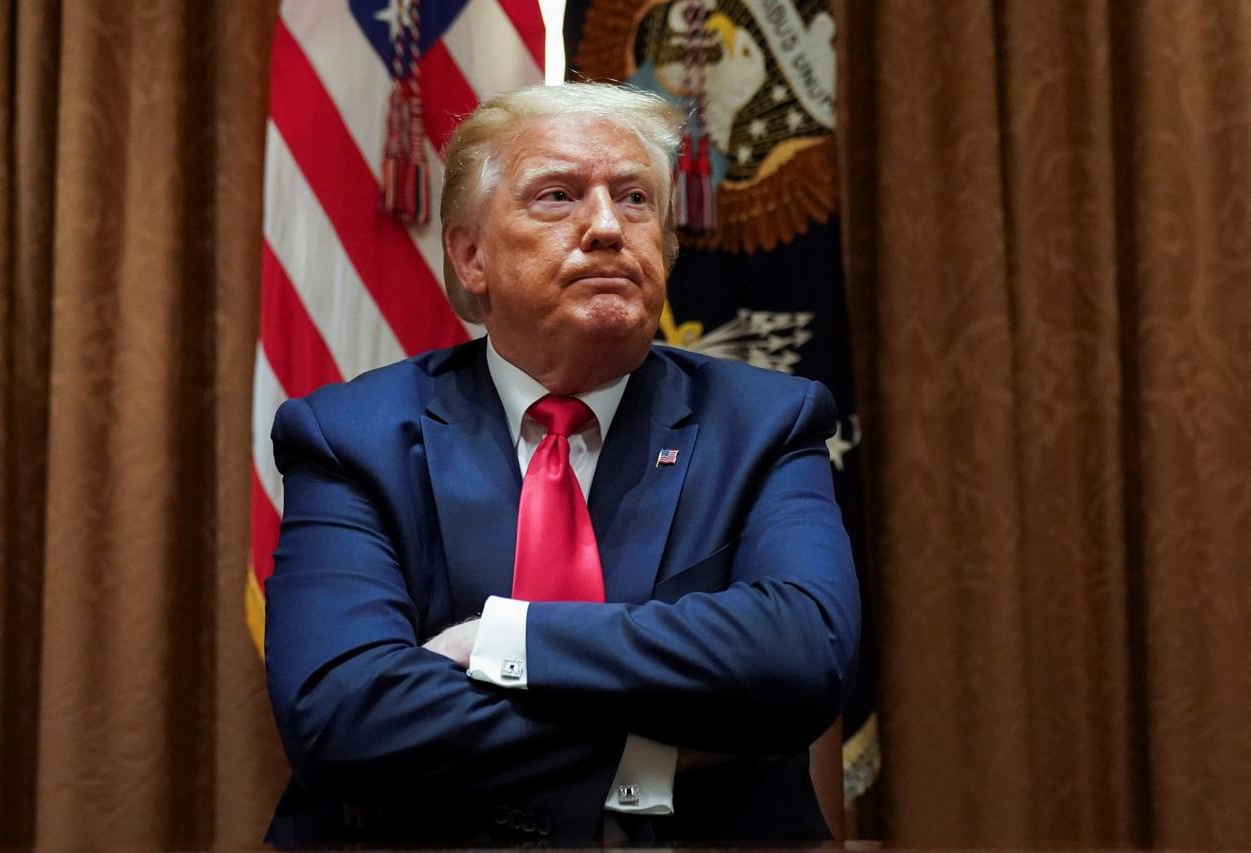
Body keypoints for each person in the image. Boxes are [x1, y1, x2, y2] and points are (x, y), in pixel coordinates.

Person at [263, 82, 860, 846]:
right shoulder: (351, 436)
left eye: (636, 199)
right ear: (470, 253)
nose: (608, 227)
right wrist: (654, 750)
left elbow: (803, 652)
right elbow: (342, 712)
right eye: (558, 196)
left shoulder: (766, 423)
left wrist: (506, 640)